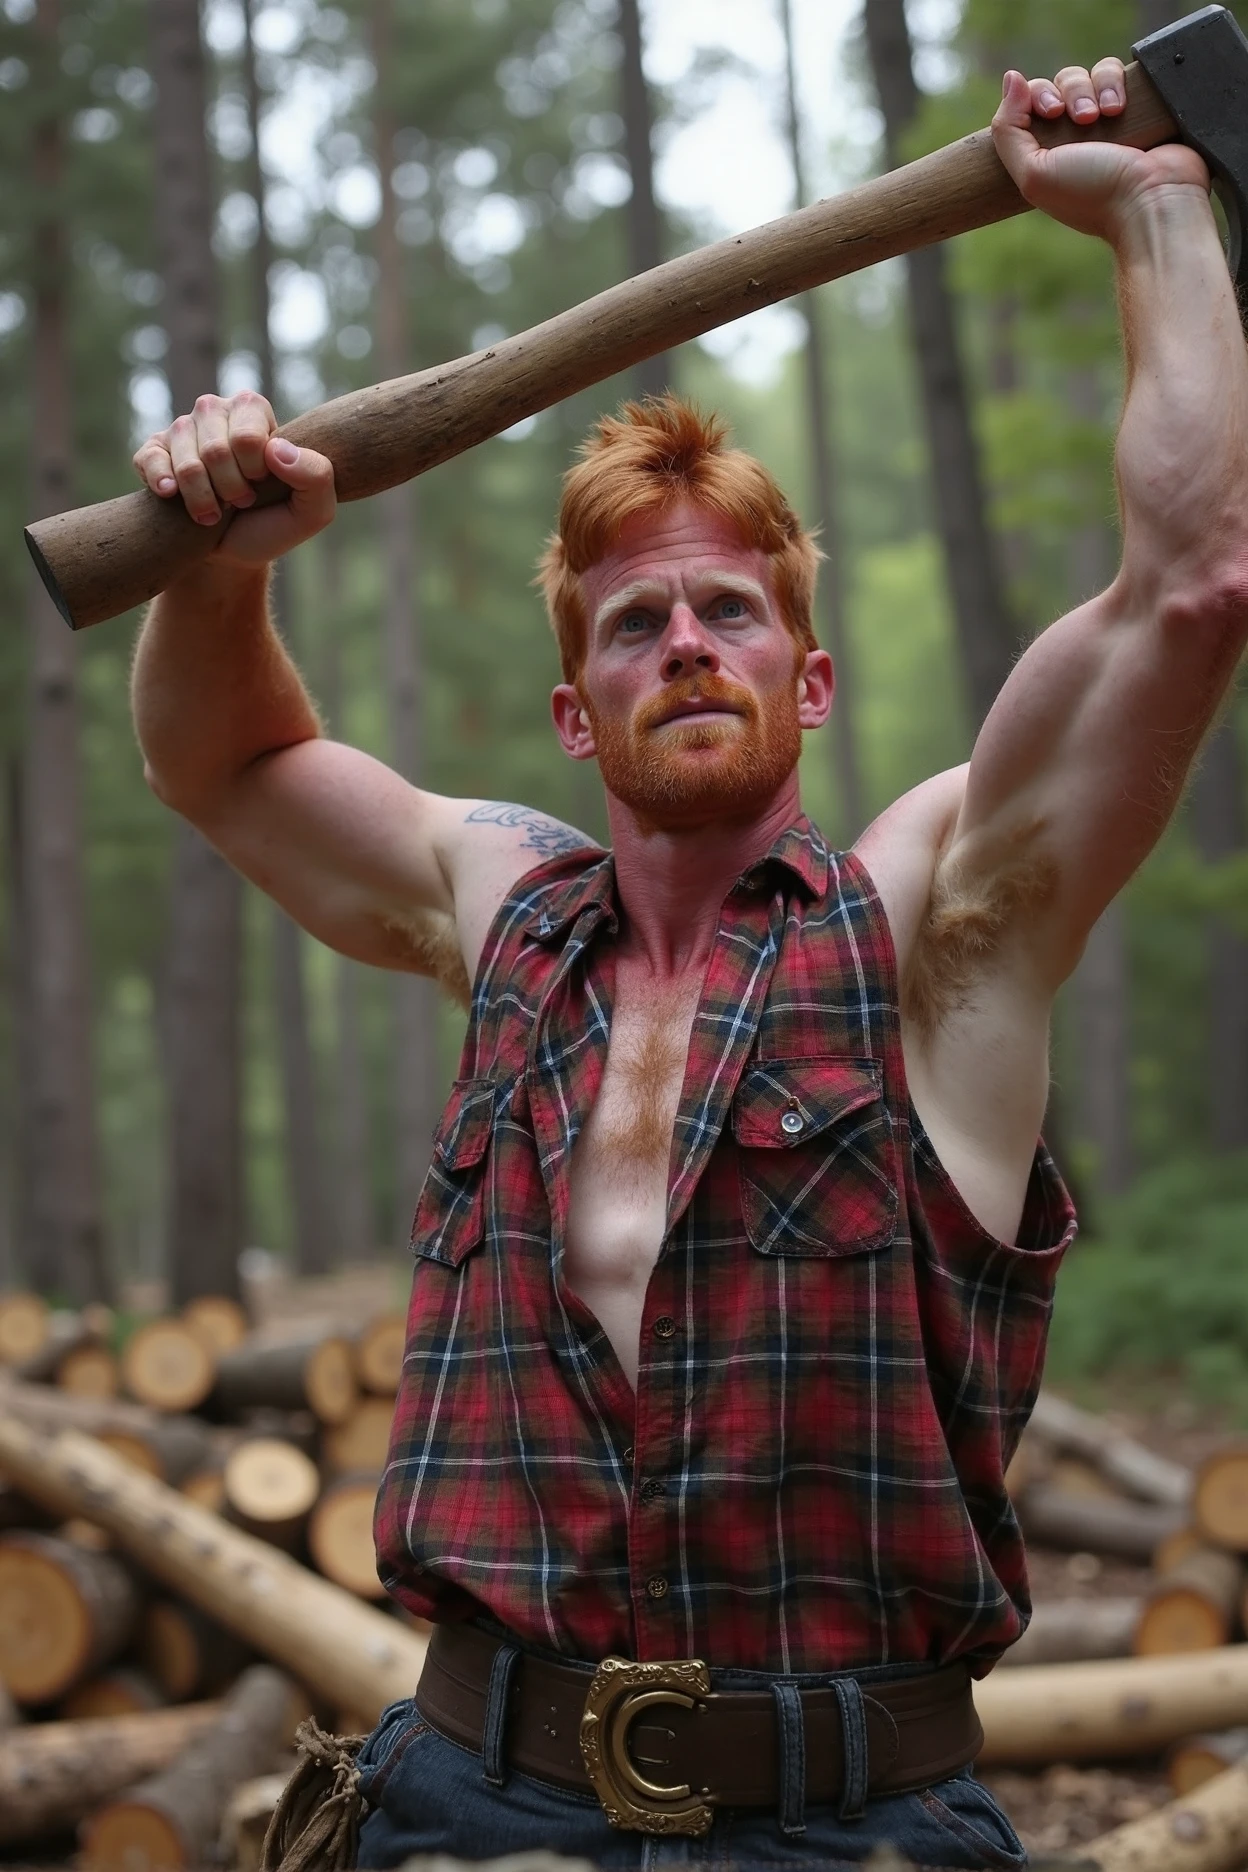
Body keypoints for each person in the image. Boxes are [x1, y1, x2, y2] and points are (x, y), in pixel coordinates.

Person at [131, 56, 1248, 1871]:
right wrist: (220, 563)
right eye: (638, 622)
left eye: (731, 606)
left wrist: (1158, 204)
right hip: (463, 1799)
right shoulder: (501, 913)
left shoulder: (934, 919)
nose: (687, 644)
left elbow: (1188, 583)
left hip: (845, 1820)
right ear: (581, 711)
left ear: (807, 682)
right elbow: (223, 764)